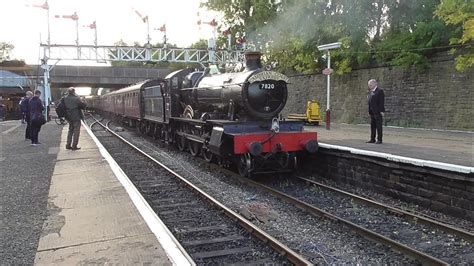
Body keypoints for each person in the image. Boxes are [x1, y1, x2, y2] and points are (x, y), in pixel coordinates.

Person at [366, 79, 385, 144]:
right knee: (373, 126)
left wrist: (382, 111)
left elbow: (381, 102)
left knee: (379, 126)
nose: (369, 86)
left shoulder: (380, 91)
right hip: (372, 112)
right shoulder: (371, 92)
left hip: (378, 112)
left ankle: (379, 139)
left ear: (374, 84)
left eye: (370, 85)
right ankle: (372, 139)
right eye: (369, 85)